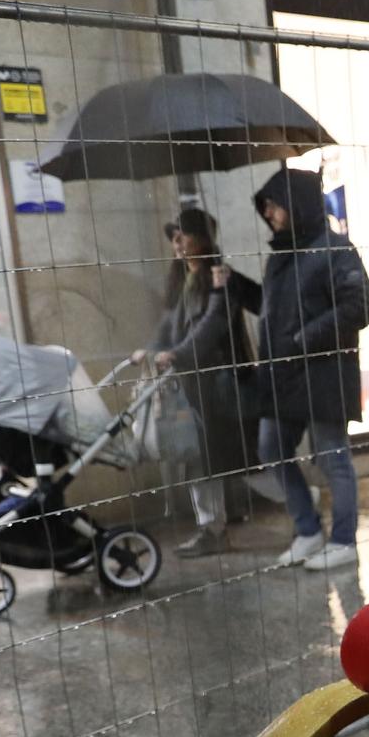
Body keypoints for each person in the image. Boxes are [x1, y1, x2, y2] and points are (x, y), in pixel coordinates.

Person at [223, 168, 369, 572]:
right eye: (266, 208)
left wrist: (306, 338)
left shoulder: (336, 249)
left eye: (274, 206)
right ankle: (308, 531)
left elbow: (360, 306)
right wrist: (235, 285)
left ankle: (344, 541)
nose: (269, 214)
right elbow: (274, 312)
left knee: (332, 458)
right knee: (272, 449)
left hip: (324, 373)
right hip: (283, 378)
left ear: (297, 204)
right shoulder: (281, 258)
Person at [133, 207, 256, 556]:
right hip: (195, 386)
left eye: (183, 234)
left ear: (202, 239)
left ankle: (302, 508)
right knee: (200, 457)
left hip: (220, 383)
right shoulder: (182, 282)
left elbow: (211, 327)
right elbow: (169, 326)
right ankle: (212, 529)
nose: (177, 242)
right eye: (174, 236)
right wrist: (154, 349)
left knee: (247, 458)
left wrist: (177, 353)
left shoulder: (219, 279)